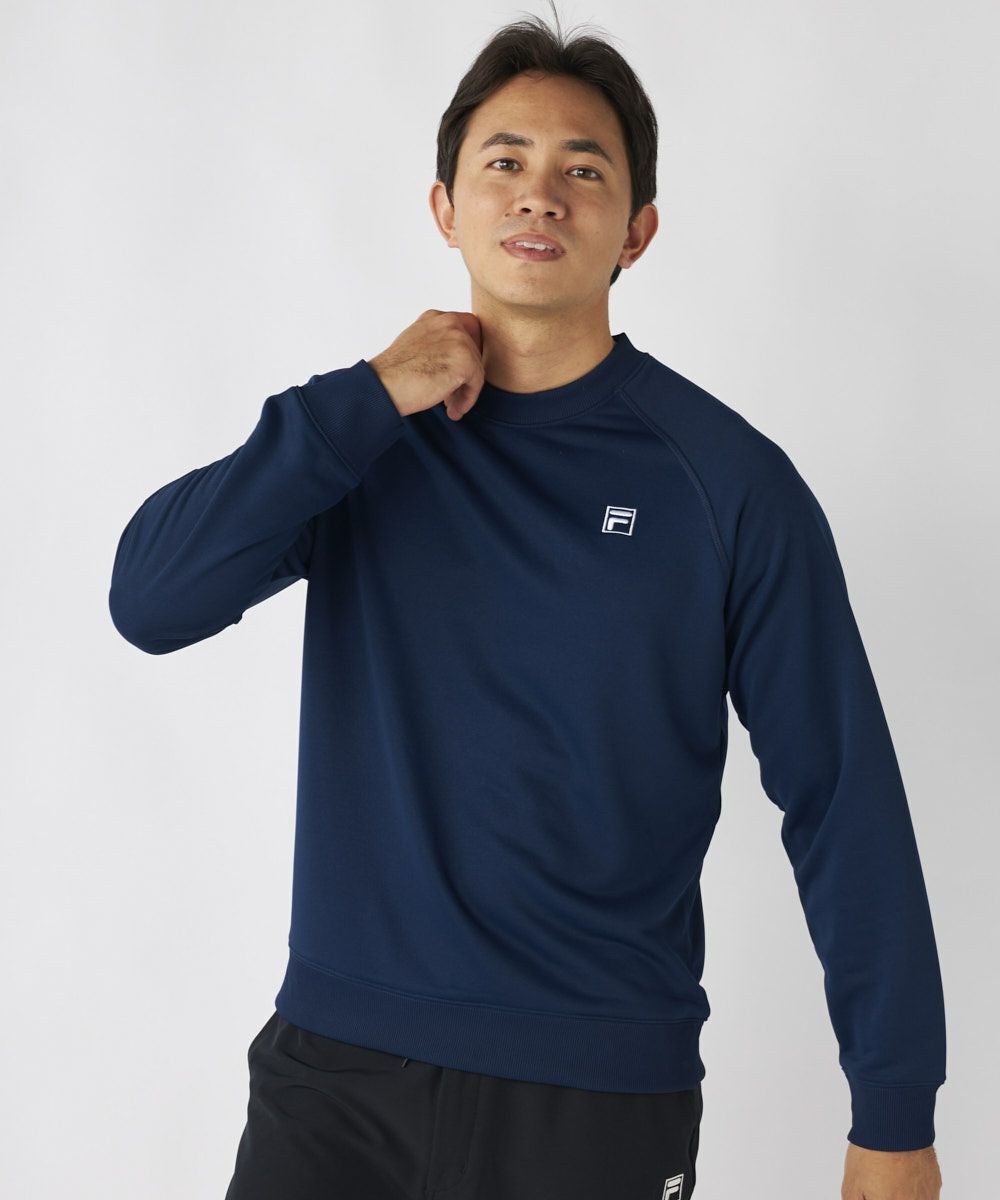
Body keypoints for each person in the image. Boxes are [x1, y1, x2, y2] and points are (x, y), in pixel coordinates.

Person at [108, 7, 945, 1199]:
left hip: (594, 1098)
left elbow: (840, 796)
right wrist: (361, 400)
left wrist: (893, 1117)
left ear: (636, 229)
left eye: (582, 170)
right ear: (445, 207)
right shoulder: (358, 443)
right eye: (503, 162)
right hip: (333, 1082)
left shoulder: (727, 484)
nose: (539, 194)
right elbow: (150, 599)